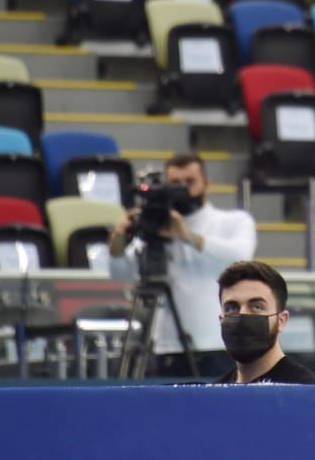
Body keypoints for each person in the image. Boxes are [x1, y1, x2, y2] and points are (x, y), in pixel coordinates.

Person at [108, 152, 257, 377]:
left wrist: (187, 235)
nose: (183, 189)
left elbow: (240, 256)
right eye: (175, 183)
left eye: (190, 182)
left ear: (207, 184)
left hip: (217, 344)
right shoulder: (155, 226)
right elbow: (120, 274)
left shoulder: (233, 221)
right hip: (167, 346)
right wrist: (117, 243)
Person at [212, 260, 315, 415]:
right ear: (221, 318)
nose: (242, 314)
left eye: (256, 307)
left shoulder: (306, 393)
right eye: (232, 307)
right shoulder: (214, 395)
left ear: (281, 320)